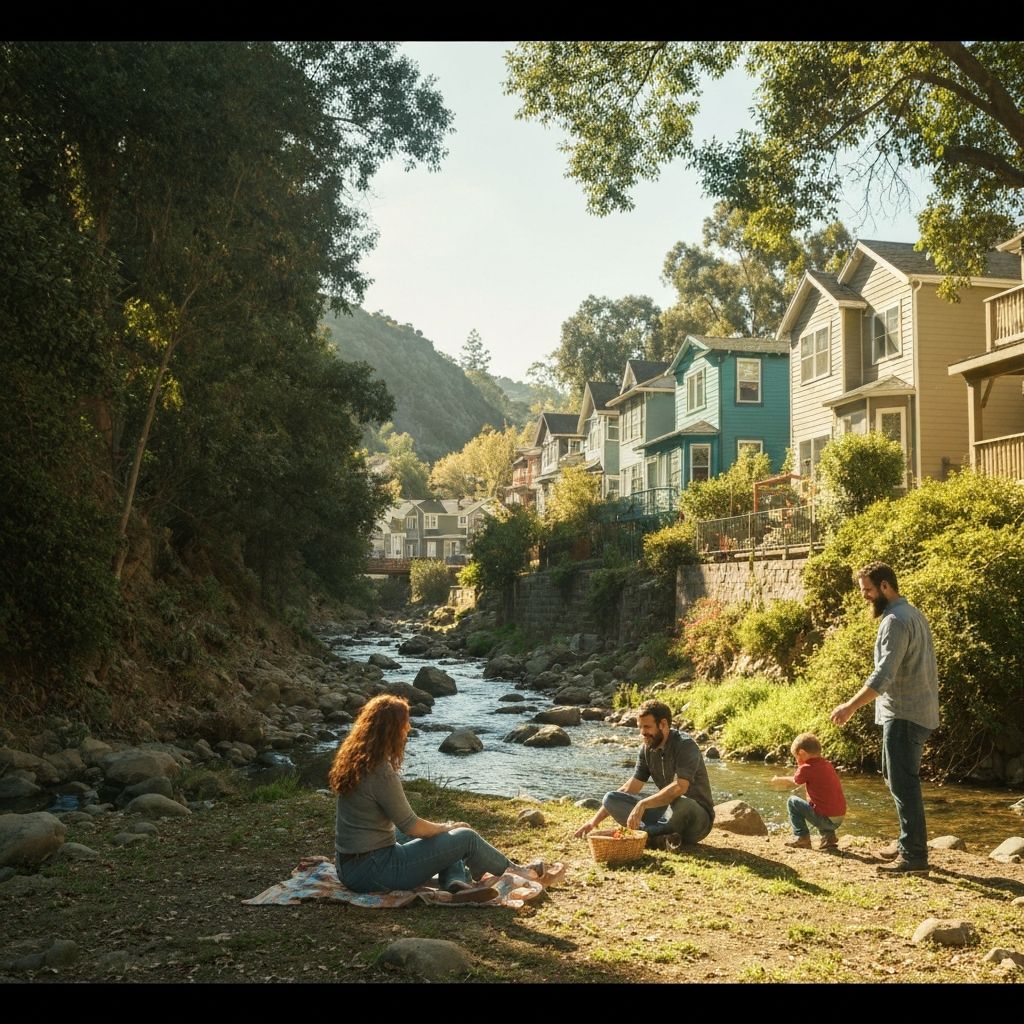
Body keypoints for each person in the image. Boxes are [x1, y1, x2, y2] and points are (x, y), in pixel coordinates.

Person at [329, 694, 544, 902]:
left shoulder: (356, 761)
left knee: (437, 839)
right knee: (464, 837)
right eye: (405, 725)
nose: (408, 729)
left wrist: (440, 832)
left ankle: (455, 883)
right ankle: (517, 871)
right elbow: (410, 825)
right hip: (373, 872)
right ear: (392, 731)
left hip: (349, 867)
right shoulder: (380, 771)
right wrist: (447, 828)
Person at [830, 561, 940, 876]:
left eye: (868, 589)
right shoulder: (914, 614)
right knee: (895, 777)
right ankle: (908, 843)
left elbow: (884, 675)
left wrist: (850, 706)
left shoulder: (894, 621)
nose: (865, 596)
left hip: (905, 713)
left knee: (904, 783)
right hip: (916, 711)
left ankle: (915, 856)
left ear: (885, 587)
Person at [573, 699, 715, 850]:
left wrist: (643, 804)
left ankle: (641, 835)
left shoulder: (685, 745)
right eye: (640, 727)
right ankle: (656, 837)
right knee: (611, 798)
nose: (642, 733)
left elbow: (680, 787)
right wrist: (593, 822)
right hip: (665, 814)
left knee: (682, 802)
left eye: (647, 727)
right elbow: (630, 788)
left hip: (696, 819)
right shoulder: (647, 749)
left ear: (663, 725)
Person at [771, 732, 847, 851]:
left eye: (796, 757)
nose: (797, 761)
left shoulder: (806, 768)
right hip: (839, 817)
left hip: (826, 820)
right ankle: (829, 838)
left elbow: (796, 780)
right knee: (821, 804)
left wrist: (779, 779)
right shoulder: (827, 764)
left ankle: (802, 838)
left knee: (792, 802)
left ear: (802, 753)